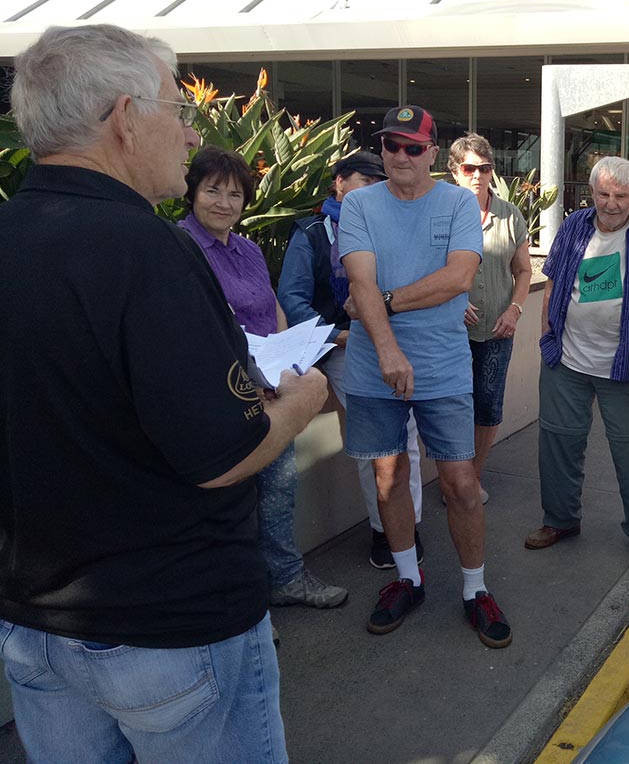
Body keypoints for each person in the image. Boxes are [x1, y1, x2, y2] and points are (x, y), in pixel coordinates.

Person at [0, 23, 327, 761]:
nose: (189, 135)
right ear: (124, 118)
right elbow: (224, 452)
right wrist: (303, 403)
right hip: (170, 627)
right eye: (177, 111)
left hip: (33, 628)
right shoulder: (149, 250)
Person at [339, 105, 512, 648]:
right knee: (388, 478)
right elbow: (358, 281)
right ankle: (407, 579)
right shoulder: (359, 203)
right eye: (392, 145)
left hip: (443, 366)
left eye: (413, 147)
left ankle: (475, 589)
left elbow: (458, 277)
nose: (401, 155)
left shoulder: (458, 202)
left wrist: (384, 301)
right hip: (373, 366)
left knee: (461, 483)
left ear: (433, 153)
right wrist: (388, 349)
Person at [181, 146, 348, 609]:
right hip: (218, 393)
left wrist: (283, 364)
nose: (224, 202)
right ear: (192, 192)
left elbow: (271, 307)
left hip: (269, 389)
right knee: (229, 500)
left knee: (278, 488)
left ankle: (285, 579)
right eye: (213, 190)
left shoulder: (248, 249)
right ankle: (238, 600)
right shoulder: (179, 248)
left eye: (235, 194)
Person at [525, 157, 629, 569]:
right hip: (567, 360)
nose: (611, 204)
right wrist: (547, 337)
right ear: (591, 192)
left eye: (621, 196)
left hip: (627, 364)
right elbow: (553, 282)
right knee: (558, 444)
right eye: (604, 194)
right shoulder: (574, 226)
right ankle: (560, 520)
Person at [278, 150, 426, 569]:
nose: (374, 190)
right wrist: (337, 335)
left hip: (391, 340)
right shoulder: (312, 233)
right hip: (342, 347)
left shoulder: (388, 227)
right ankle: (384, 530)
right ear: (340, 183)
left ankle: (409, 524)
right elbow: (292, 298)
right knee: (378, 441)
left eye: (379, 183)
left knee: (407, 438)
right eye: (365, 181)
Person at [448, 133, 532, 503]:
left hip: (498, 329)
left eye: (484, 168)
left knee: (487, 405)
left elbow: (524, 271)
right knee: (452, 406)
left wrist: (515, 310)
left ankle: (472, 477)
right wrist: (453, 301)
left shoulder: (510, 215)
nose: (477, 175)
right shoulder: (441, 213)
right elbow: (426, 269)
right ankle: (453, 479)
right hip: (450, 331)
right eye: (469, 168)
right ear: (455, 171)